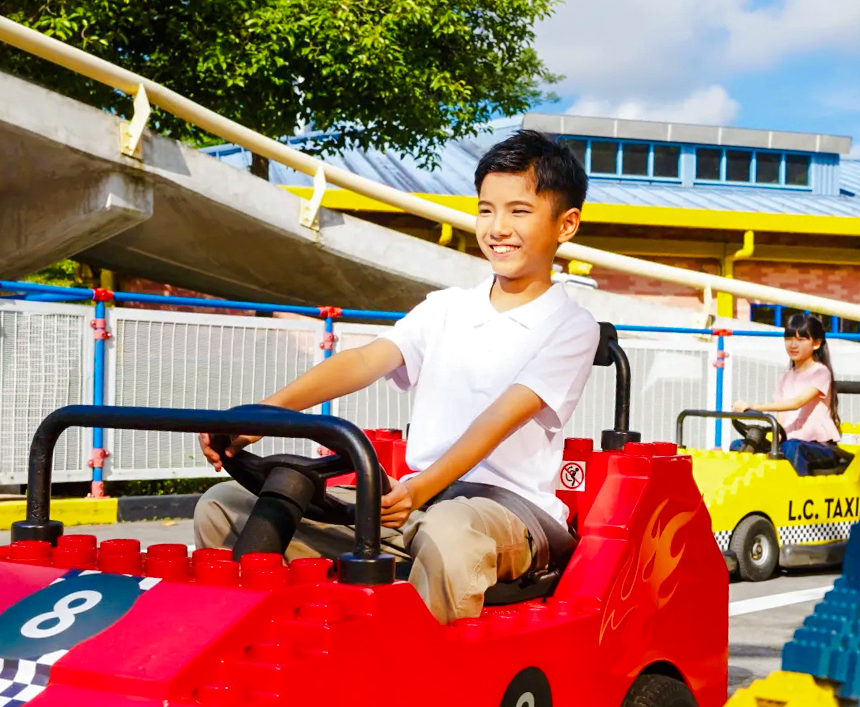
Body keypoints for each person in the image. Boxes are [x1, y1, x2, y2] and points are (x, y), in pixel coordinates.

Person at [193, 130, 600, 623]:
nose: (497, 227)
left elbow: (502, 416)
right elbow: (365, 361)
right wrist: (262, 416)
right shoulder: (447, 307)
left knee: (451, 532)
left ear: (566, 224)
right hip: (414, 501)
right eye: (486, 209)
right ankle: (273, 657)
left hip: (506, 511)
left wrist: (421, 489)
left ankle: (423, 688)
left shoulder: (571, 325)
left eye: (519, 211)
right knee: (225, 505)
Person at [731, 312, 844, 476]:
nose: (793, 345)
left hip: (819, 446)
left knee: (791, 448)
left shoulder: (820, 372)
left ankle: (796, 493)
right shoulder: (786, 376)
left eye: (801, 339)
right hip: (789, 442)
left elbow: (797, 402)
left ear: (816, 344)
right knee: (739, 445)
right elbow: (781, 418)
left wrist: (753, 406)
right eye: (789, 339)